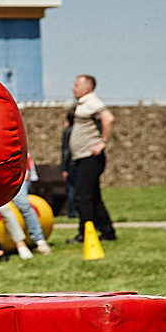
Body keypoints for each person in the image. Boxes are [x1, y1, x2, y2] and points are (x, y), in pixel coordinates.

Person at [64, 74, 115, 246]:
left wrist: (103, 142)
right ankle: (108, 232)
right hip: (82, 158)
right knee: (93, 197)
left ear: (87, 88)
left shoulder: (92, 101)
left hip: (90, 158)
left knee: (81, 197)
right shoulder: (83, 104)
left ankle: (85, 233)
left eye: (76, 84)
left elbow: (108, 118)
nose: (73, 87)